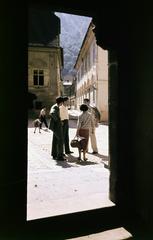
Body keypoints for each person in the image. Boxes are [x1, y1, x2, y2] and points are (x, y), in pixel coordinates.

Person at [49, 97, 66, 161]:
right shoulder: (55, 107)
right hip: (56, 126)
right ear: (61, 102)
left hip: (55, 126)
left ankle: (54, 154)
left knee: (55, 140)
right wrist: (58, 121)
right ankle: (60, 156)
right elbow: (52, 113)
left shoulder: (55, 106)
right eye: (62, 102)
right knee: (60, 140)